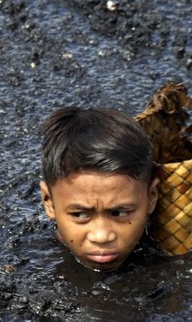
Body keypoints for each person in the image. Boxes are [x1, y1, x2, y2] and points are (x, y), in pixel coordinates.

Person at [39, 106, 159, 272]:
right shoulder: (31, 263)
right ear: (49, 202)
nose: (101, 237)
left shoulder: (173, 247)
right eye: (80, 214)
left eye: (119, 213)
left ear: (152, 197)